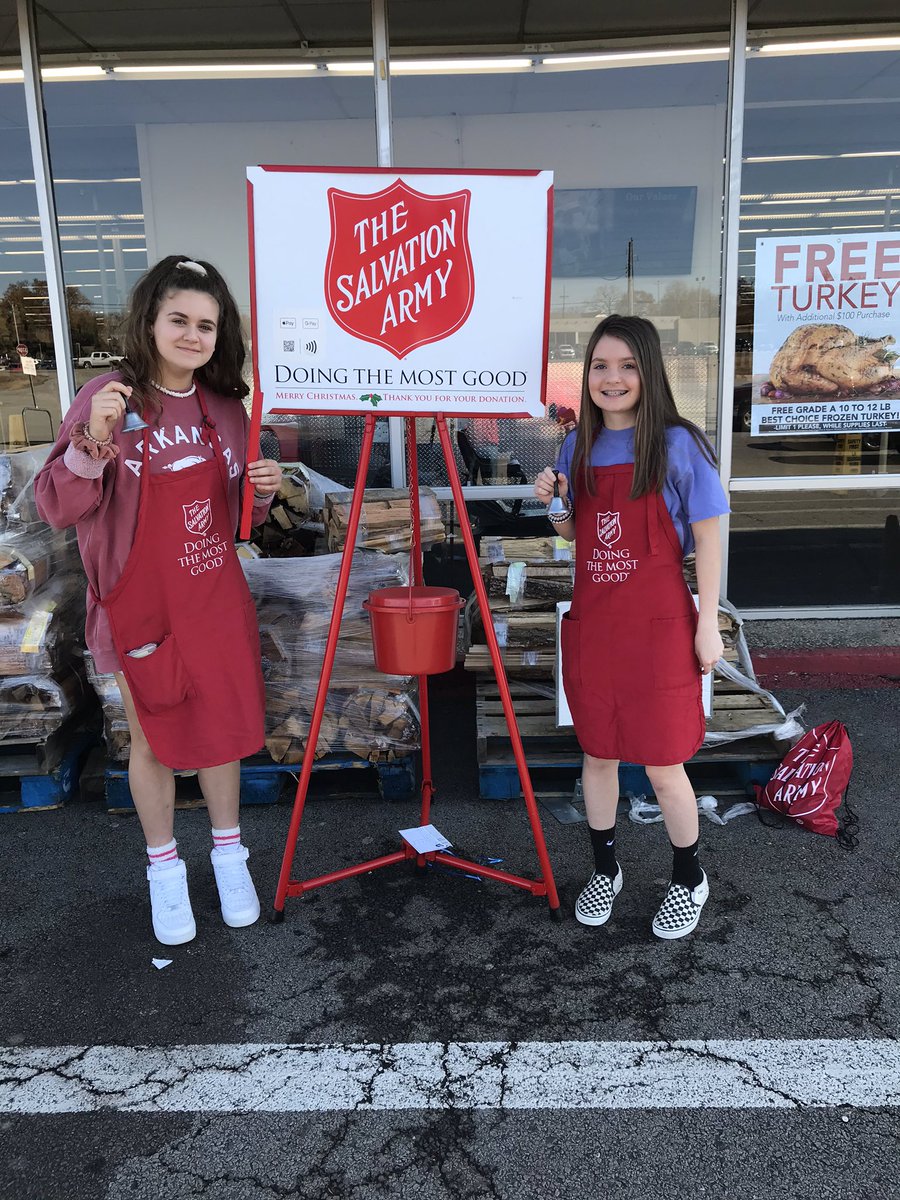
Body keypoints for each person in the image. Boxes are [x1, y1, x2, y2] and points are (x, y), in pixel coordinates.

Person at [35, 256, 281, 946]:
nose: (193, 335)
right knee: (153, 738)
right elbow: (58, 505)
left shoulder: (229, 410)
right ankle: (164, 870)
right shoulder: (109, 396)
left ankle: (230, 856)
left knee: (222, 735)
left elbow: (239, 522)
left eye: (206, 324)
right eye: (179, 319)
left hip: (212, 598)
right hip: (138, 606)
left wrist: (260, 490)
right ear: (149, 321)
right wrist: (96, 443)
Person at [534, 315, 729, 940]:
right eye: (599, 366)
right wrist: (554, 501)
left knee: (665, 763)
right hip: (597, 626)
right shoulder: (576, 446)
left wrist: (708, 624)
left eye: (627, 366)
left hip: (662, 626)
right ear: (585, 374)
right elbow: (573, 534)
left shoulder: (678, 443)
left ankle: (687, 875)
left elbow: (710, 536)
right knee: (597, 755)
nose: (612, 379)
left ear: (649, 372)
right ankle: (604, 867)